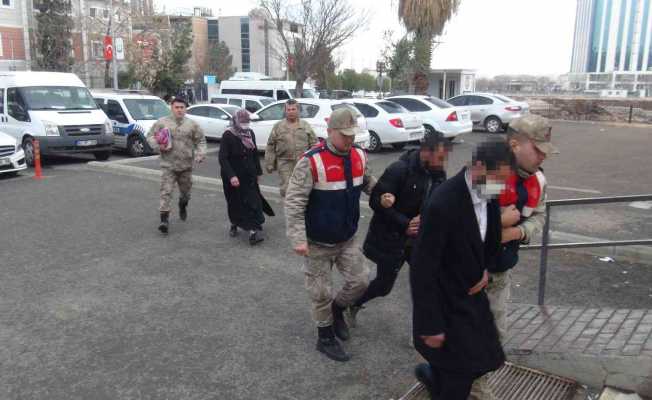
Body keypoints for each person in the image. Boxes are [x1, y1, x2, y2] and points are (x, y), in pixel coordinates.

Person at [410, 139, 514, 400]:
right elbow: (422, 269)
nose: (500, 187)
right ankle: (436, 380)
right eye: (496, 179)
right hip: (445, 304)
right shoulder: (442, 204)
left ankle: (433, 378)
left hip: (471, 298)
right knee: (461, 373)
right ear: (477, 167)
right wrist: (430, 324)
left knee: (472, 363)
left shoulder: (487, 193)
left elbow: (488, 240)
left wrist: (487, 269)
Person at [469, 114, 557, 400]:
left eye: (546, 151)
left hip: (501, 272)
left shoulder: (538, 181)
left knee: (495, 337)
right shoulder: (487, 173)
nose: (543, 157)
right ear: (514, 144)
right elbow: (464, 224)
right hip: (470, 272)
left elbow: (540, 216)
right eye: (538, 149)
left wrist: (517, 232)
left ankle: (476, 385)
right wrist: (500, 227)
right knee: (460, 333)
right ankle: (457, 382)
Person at [284, 107, 378, 362]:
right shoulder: (311, 161)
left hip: (347, 238)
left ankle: (338, 310)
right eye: (344, 135)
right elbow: (294, 201)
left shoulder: (359, 154)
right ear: (330, 131)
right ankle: (324, 337)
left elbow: (367, 181)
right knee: (320, 292)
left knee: (361, 280)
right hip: (317, 242)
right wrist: (298, 238)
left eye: (352, 134)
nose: (349, 139)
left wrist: (382, 194)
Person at [347, 132, 451, 325]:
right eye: (439, 156)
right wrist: (405, 223)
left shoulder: (439, 174)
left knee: (430, 281)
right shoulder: (400, 169)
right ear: (425, 151)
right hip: (392, 239)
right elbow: (375, 202)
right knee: (384, 286)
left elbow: (440, 203)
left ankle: (425, 329)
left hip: (419, 241)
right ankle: (352, 303)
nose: (442, 161)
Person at [146, 96, 206, 234]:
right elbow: (150, 136)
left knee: (185, 193)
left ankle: (182, 205)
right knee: (165, 192)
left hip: (186, 166)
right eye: (176, 107)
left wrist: (200, 154)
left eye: (182, 107)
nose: (179, 110)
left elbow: (201, 141)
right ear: (171, 108)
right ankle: (164, 220)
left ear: (185, 109)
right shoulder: (162, 123)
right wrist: (158, 145)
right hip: (168, 164)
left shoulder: (192, 125)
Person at [219, 109, 266, 245]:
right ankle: (234, 223)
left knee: (252, 200)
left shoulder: (250, 133)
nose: (246, 124)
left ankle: (253, 231)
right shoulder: (228, 135)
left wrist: (258, 172)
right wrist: (231, 176)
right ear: (235, 121)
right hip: (233, 174)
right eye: (243, 122)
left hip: (248, 174)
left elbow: (254, 154)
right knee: (235, 202)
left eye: (247, 121)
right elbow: (223, 158)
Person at [264, 99, 319, 197]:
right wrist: (269, 163)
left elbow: (314, 143)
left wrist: (316, 162)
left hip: (302, 163)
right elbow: (271, 145)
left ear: (298, 110)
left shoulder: (305, 125)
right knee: (287, 189)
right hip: (284, 163)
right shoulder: (278, 126)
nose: (291, 112)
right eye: (288, 110)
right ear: (285, 111)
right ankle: (289, 209)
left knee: (302, 189)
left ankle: (301, 209)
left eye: (293, 109)